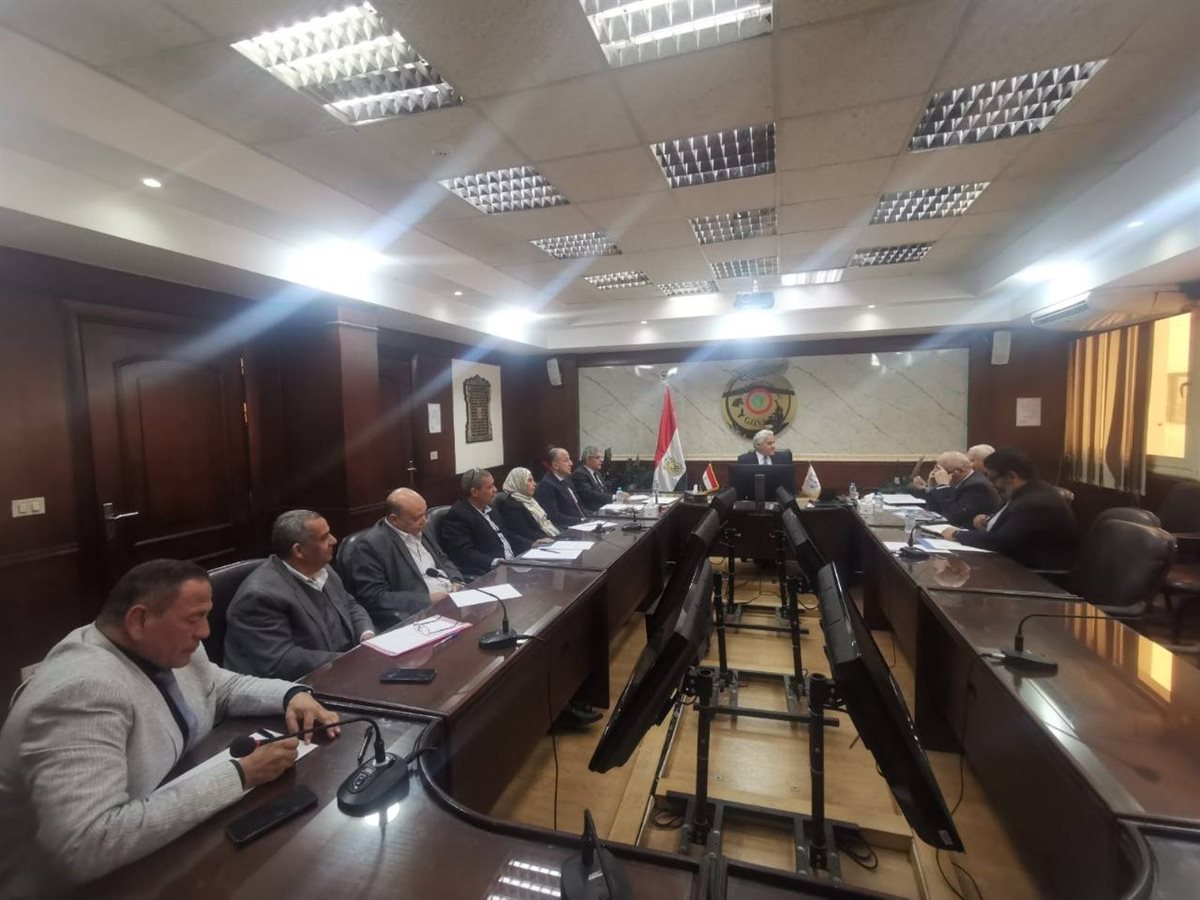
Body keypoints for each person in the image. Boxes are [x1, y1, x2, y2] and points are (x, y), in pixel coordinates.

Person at [0, 559, 340, 896]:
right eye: (194, 619)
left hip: (162, 836)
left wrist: (291, 695)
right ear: (139, 620)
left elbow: (218, 688)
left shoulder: (158, 644)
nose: (205, 632)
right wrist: (241, 774)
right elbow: (86, 845)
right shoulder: (79, 693)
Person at [224, 510, 375, 680]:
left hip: (344, 667)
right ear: (298, 550)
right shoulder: (259, 596)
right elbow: (281, 660)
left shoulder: (323, 569)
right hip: (302, 683)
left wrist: (366, 635)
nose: (334, 540)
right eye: (324, 537)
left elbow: (350, 605)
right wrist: (350, 660)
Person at [341, 488, 465, 630]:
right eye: (416, 518)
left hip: (452, 600)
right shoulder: (370, 545)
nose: (424, 521)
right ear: (394, 519)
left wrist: (456, 580)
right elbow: (374, 596)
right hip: (420, 614)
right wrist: (427, 600)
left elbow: (443, 559)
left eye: (425, 513)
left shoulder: (420, 528)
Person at [941, 448, 1079, 569]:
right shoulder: (1026, 492)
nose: (991, 484)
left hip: (1033, 576)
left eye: (992, 479)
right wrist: (988, 520)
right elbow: (1014, 531)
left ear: (1011, 476)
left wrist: (957, 534)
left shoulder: (1036, 503)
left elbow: (1001, 542)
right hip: (1011, 565)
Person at [440, 469, 533, 579]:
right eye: (490, 487)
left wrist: (532, 544)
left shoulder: (490, 508)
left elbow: (506, 535)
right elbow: (464, 553)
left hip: (512, 565)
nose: (495, 490)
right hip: (490, 573)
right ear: (474, 492)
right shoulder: (458, 515)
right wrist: (495, 562)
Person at [911, 450, 1000, 527]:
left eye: (940, 471)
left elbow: (955, 516)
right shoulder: (961, 481)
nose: (936, 474)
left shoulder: (976, 486)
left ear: (959, 471)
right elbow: (935, 511)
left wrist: (943, 486)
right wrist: (933, 487)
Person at [501, 466, 559, 543]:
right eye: (530, 480)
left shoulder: (531, 500)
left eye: (533, 480)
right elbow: (525, 533)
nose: (534, 484)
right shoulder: (512, 507)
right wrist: (553, 539)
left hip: (552, 536)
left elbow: (546, 521)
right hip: (539, 543)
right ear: (519, 482)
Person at [534, 447, 588, 528]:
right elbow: (554, 517)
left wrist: (593, 517)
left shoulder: (567, 480)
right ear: (555, 465)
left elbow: (579, 506)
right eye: (566, 460)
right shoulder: (547, 485)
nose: (571, 463)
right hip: (568, 528)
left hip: (583, 523)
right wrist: (582, 521)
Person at [571, 446, 613, 512]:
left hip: (604, 508)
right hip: (592, 511)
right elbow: (589, 495)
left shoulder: (597, 473)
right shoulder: (580, 474)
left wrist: (618, 496)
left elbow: (604, 491)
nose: (601, 460)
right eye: (597, 458)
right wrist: (613, 497)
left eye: (601, 457)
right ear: (588, 459)